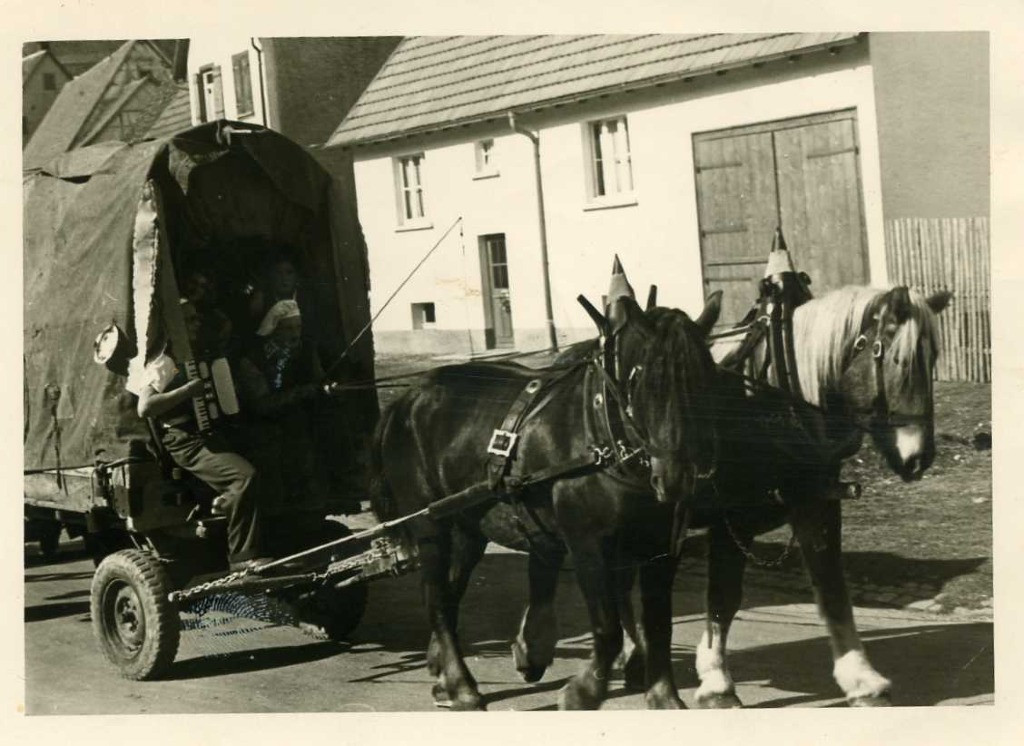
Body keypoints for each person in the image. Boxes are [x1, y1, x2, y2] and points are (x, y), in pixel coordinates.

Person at [127, 300, 268, 572]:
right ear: (174, 326)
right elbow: (145, 407)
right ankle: (242, 558)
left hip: (203, 435)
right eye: (189, 320)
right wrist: (188, 392)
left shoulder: (194, 353)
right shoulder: (164, 361)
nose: (196, 324)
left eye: (195, 319)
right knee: (244, 476)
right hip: (185, 440)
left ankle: (224, 504)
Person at [235, 299, 338, 550]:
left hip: (294, 422)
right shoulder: (252, 360)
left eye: (298, 328)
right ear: (274, 330)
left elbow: (318, 380)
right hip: (260, 427)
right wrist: (305, 392)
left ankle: (308, 517)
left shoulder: (303, 350)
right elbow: (261, 405)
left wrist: (325, 388)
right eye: (289, 329)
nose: (295, 335)